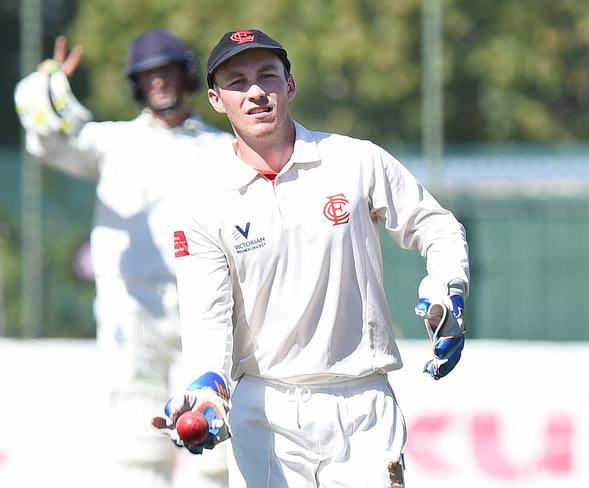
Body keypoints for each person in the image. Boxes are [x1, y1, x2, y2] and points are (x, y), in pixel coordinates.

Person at [158, 29, 469, 488]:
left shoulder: (354, 160)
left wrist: (448, 287)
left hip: (361, 401)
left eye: (268, 76)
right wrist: (207, 388)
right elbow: (208, 316)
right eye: (238, 82)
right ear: (215, 99)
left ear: (290, 85)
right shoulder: (203, 200)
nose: (256, 92)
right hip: (265, 412)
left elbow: (437, 226)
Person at [14, 31, 234, 488]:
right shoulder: (112, 143)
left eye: (168, 71)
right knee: (140, 450)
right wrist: (48, 89)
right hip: (131, 315)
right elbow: (48, 141)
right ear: (136, 85)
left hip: (207, 313)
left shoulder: (221, 148)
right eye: (149, 76)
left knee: (216, 451)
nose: (160, 83)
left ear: (187, 75)